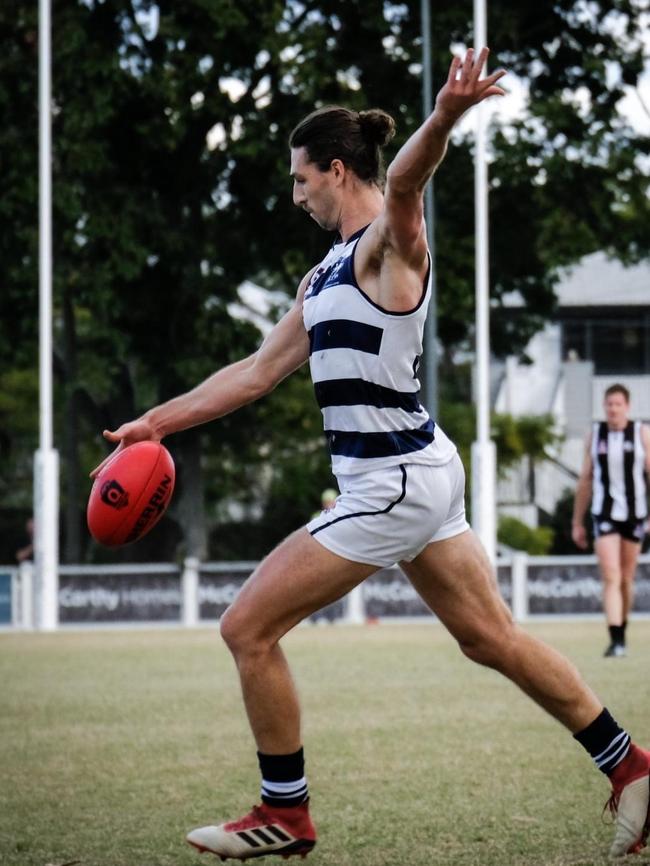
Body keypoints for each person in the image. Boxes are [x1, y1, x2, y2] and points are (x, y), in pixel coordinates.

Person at [91, 48, 649, 861]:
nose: (295, 196)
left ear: (337, 170)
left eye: (301, 180)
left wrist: (449, 114)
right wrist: (157, 423)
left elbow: (406, 183)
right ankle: (631, 765)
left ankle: (285, 813)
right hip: (414, 473)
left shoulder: (389, 248)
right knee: (490, 638)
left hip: (391, 482)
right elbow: (254, 373)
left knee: (246, 628)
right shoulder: (321, 280)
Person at [572, 383, 650, 657]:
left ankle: (622, 631)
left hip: (635, 515)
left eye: (618, 404)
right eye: (609, 404)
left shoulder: (641, 433)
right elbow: (585, 480)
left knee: (627, 579)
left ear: (627, 407)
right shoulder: (595, 436)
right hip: (604, 514)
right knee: (611, 576)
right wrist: (577, 522)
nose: (613, 409)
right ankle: (615, 639)